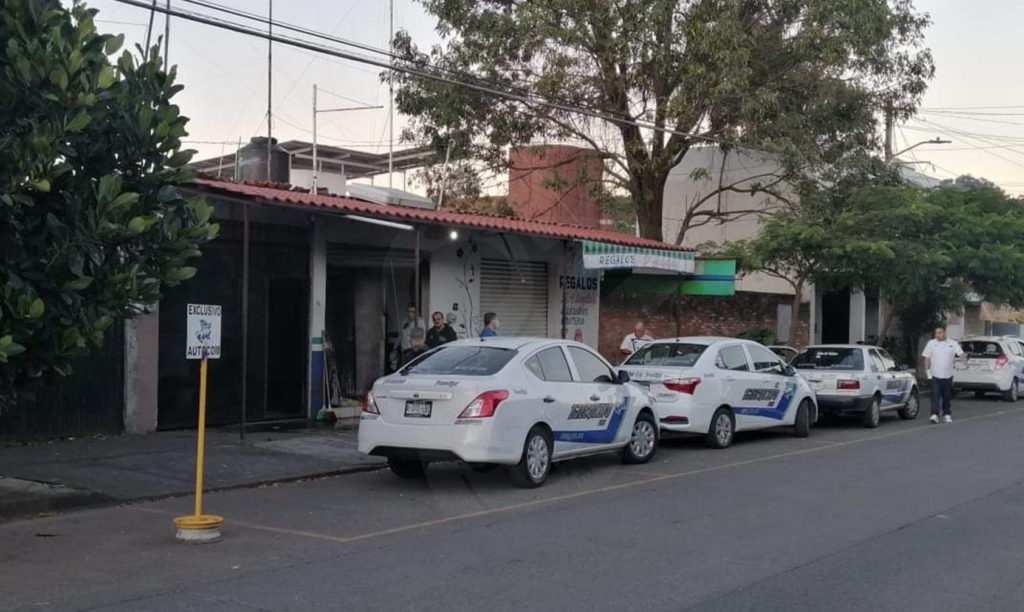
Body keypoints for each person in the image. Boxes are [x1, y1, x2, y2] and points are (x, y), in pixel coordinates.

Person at [922, 325, 966, 424]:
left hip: (948, 375)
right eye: (936, 333)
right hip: (935, 374)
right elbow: (927, 357)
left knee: (946, 396)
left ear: (945, 333)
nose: (937, 335)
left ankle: (947, 414)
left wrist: (965, 361)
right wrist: (926, 369)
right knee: (935, 394)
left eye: (939, 332)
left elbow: (961, 354)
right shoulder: (931, 343)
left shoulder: (952, 343)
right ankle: (934, 414)